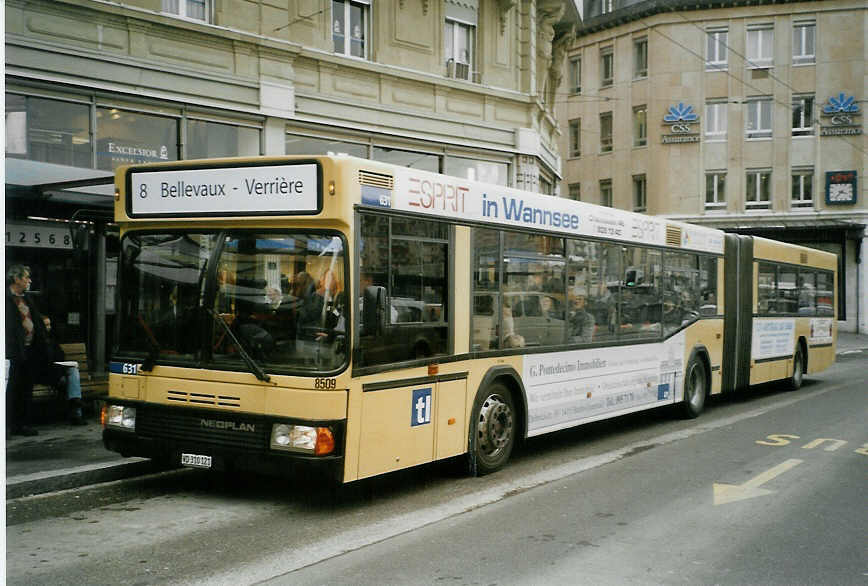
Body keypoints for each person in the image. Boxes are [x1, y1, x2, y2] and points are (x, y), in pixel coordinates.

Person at [5, 265, 45, 437]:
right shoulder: (6, 298)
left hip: (28, 351)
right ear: (16, 279)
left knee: (26, 389)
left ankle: (22, 424)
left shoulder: (27, 299)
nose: (29, 281)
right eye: (26, 277)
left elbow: (35, 318)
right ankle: (7, 426)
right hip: (12, 353)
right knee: (10, 390)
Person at [39, 316, 86, 425]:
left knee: (73, 371)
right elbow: (42, 361)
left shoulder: (52, 339)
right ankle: (76, 413)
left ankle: (75, 402)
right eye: (46, 325)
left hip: (56, 373)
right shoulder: (37, 341)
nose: (48, 327)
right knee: (71, 381)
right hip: (44, 375)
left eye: (49, 324)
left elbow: (61, 355)